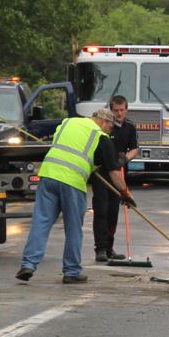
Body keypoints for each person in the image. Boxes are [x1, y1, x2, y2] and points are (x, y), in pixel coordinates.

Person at [16, 108, 134, 284]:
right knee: (73, 228)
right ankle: (72, 271)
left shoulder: (67, 122)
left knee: (40, 223)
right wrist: (124, 193)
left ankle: (28, 264)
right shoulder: (101, 137)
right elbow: (115, 172)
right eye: (110, 127)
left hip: (48, 176)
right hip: (72, 182)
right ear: (103, 121)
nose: (111, 131)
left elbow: (73, 148)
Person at [91, 95, 140, 262]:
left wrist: (125, 158)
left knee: (113, 212)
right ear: (111, 111)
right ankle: (101, 249)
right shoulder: (104, 127)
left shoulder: (129, 128)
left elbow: (135, 149)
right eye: (116, 110)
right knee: (101, 210)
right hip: (101, 173)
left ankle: (110, 248)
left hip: (118, 173)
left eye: (122, 110)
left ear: (126, 109)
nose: (119, 114)